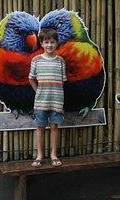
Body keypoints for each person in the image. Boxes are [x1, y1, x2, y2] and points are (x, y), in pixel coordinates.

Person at [29, 28, 67, 167]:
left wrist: (56, 92)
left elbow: (63, 81)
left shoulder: (60, 61)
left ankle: (53, 154)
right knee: (40, 128)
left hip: (56, 101)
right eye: (46, 42)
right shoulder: (36, 60)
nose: (49, 45)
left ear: (57, 43)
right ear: (41, 44)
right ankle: (39, 155)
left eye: (52, 42)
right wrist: (38, 91)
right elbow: (31, 79)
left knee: (54, 127)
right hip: (41, 101)